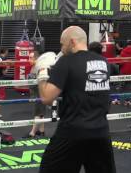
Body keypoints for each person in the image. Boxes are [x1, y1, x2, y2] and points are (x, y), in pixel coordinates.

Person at [37, 26, 116, 173]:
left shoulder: (66, 62)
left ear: (72, 42)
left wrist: (42, 72)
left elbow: (47, 98)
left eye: (62, 43)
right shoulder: (104, 62)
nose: (61, 47)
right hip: (101, 133)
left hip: (72, 133)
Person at [23, 51, 47, 138]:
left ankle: (32, 133)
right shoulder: (33, 67)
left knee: (37, 114)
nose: (28, 59)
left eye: (30, 58)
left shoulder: (40, 68)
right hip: (34, 93)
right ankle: (41, 131)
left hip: (39, 94)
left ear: (36, 59)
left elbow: (43, 81)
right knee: (40, 113)